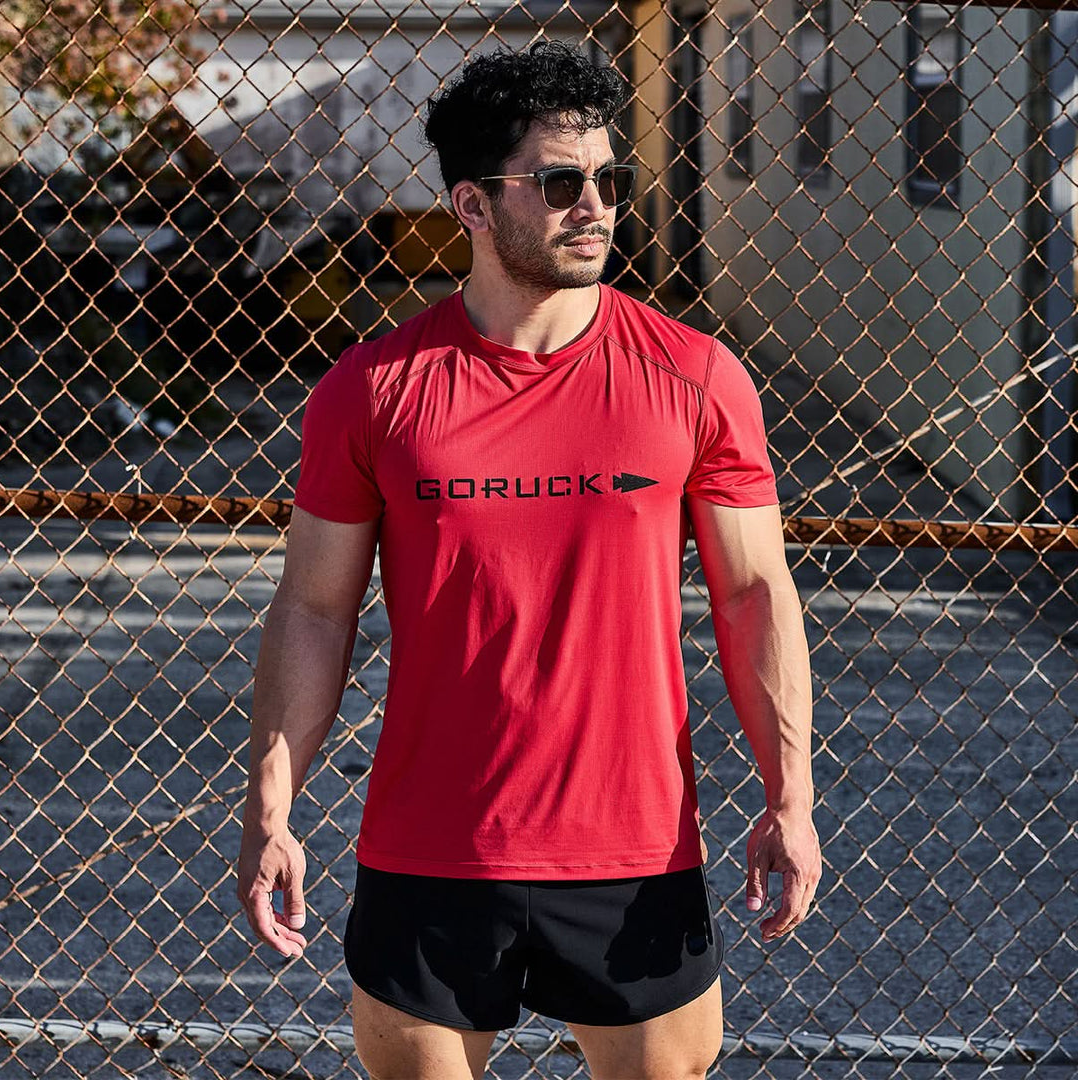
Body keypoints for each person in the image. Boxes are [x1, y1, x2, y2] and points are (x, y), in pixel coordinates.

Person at [237, 40, 821, 1080]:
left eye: (606, 179)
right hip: (433, 849)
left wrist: (792, 795)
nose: (593, 204)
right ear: (471, 206)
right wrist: (271, 810)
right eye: (558, 183)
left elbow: (751, 591)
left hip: (634, 851)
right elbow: (315, 610)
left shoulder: (696, 377)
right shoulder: (374, 392)